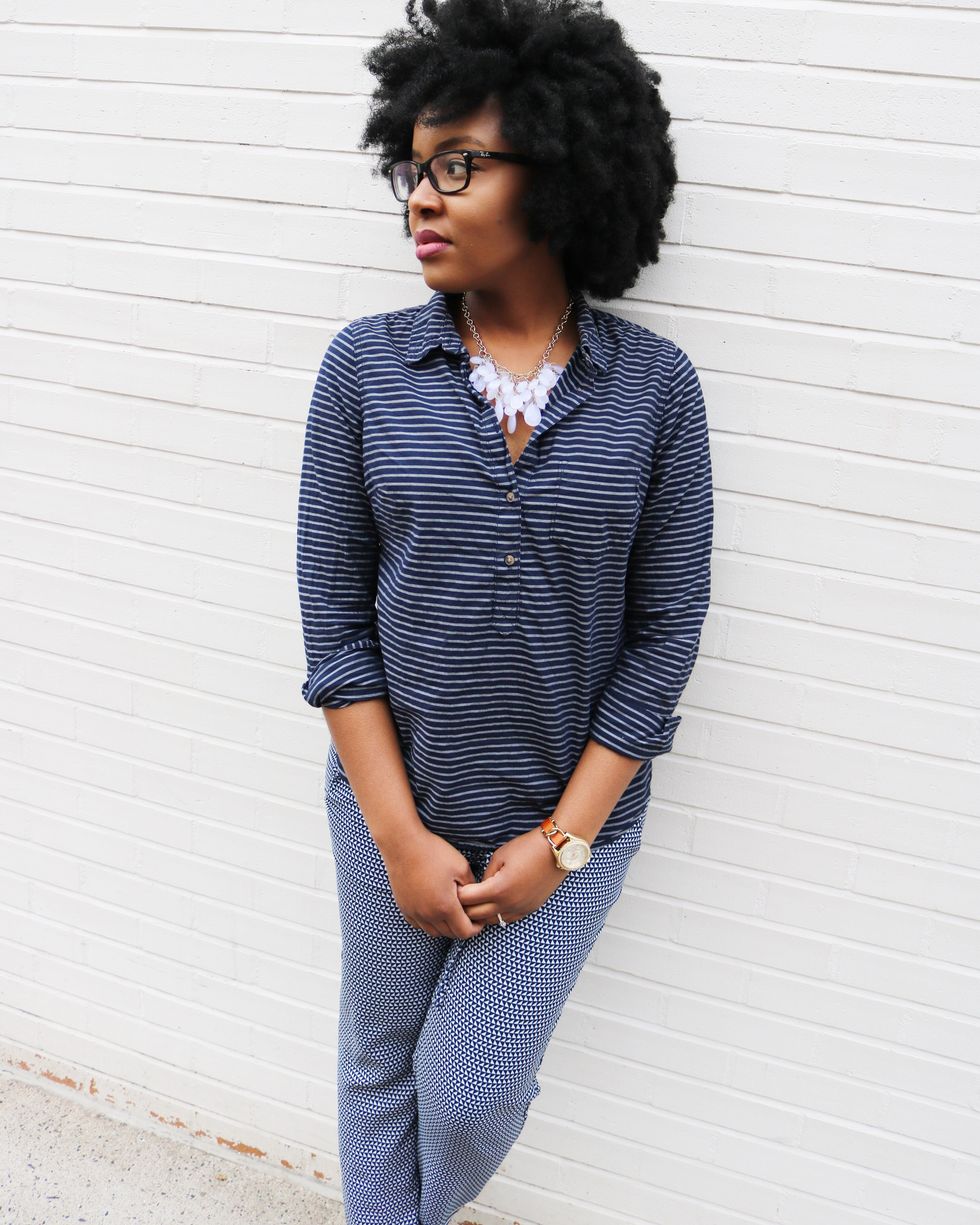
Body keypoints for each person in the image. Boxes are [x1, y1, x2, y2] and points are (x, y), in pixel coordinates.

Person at [294, 2, 713, 1222]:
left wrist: (560, 845)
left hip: (566, 824)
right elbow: (334, 623)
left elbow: (665, 631)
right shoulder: (364, 370)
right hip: (394, 801)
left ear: (564, 172)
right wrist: (397, 837)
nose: (420, 201)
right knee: (381, 1061)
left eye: (458, 167)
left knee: (465, 1092)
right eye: (414, 170)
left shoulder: (655, 391)